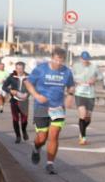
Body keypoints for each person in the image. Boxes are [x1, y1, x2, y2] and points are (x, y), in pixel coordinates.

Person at [24, 47, 75, 175]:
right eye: (57, 60)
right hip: (41, 106)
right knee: (42, 137)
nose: (59, 63)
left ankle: (50, 164)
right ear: (52, 57)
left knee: (54, 135)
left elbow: (71, 86)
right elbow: (28, 83)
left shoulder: (67, 72)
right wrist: (36, 96)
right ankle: (36, 148)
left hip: (57, 107)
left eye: (62, 60)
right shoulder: (41, 69)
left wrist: (70, 96)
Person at [71, 51, 100, 145]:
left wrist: (94, 79)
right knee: (82, 115)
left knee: (88, 118)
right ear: (80, 59)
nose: (85, 61)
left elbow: (100, 76)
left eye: (87, 59)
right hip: (80, 94)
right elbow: (70, 77)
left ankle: (81, 130)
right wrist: (76, 81)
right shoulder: (76, 66)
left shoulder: (94, 67)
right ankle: (83, 137)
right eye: (84, 59)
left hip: (90, 95)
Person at [2, 62, 31, 143]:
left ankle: (24, 131)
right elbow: (4, 86)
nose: (19, 70)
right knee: (15, 119)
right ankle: (18, 136)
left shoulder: (29, 77)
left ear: (24, 68)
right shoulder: (11, 76)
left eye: (21, 68)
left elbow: (33, 87)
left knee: (24, 120)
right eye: (17, 68)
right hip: (14, 101)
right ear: (15, 68)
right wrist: (11, 90)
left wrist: (28, 94)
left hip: (24, 101)